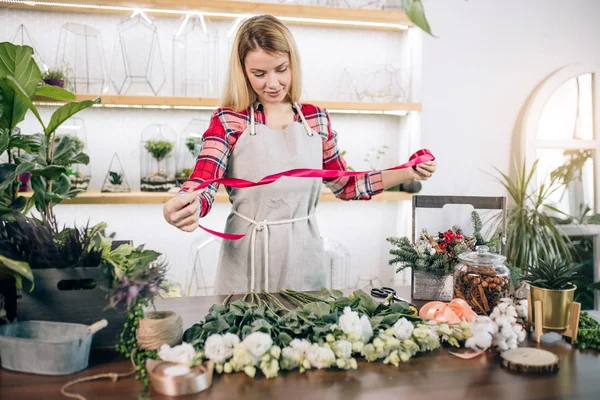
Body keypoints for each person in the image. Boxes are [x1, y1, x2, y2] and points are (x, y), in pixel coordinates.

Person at [163, 15, 437, 295]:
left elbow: (346, 185)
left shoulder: (316, 119)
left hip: (304, 258)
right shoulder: (229, 119)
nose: (273, 83)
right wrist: (187, 204)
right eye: (259, 73)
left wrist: (408, 171)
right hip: (247, 259)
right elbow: (204, 181)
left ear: (292, 62)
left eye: (281, 69)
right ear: (243, 71)